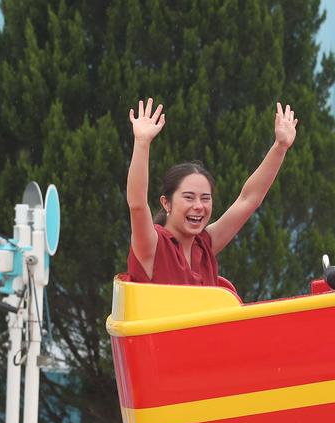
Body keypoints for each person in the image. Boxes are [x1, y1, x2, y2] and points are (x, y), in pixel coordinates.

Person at [126, 98, 298, 286]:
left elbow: (248, 199)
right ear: (166, 202)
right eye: (189, 197)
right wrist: (142, 142)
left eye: (205, 198)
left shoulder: (204, 244)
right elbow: (137, 206)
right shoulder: (152, 246)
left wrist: (280, 147)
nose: (198, 206)